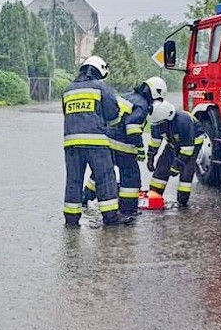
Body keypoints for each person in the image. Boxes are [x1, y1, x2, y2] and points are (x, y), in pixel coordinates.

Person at [62, 55, 133, 228]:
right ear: (99, 70)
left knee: (73, 180)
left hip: (71, 144)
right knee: (105, 178)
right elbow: (113, 114)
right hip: (96, 143)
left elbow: (67, 114)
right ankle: (111, 218)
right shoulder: (101, 87)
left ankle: (71, 220)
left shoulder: (68, 89)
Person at [82, 76, 168, 217]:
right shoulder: (142, 105)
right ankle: (128, 210)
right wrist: (140, 148)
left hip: (106, 141)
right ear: (154, 93)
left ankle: (85, 198)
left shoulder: (127, 96)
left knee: (102, 172)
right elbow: (132, 126)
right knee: (131, 176)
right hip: (122, 146)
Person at [146, 100, 205, 207]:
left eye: (162, 125)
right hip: (173, 142)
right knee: (162, 165)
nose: (160, 127)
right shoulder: (157, 122)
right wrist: (150, 157)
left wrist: (176, 166)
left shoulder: (183, 122)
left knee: (186, 171)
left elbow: (187, 150)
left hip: (192, 143)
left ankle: (182, 201)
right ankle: (155, 196)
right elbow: (155, 142)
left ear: (169, 119)